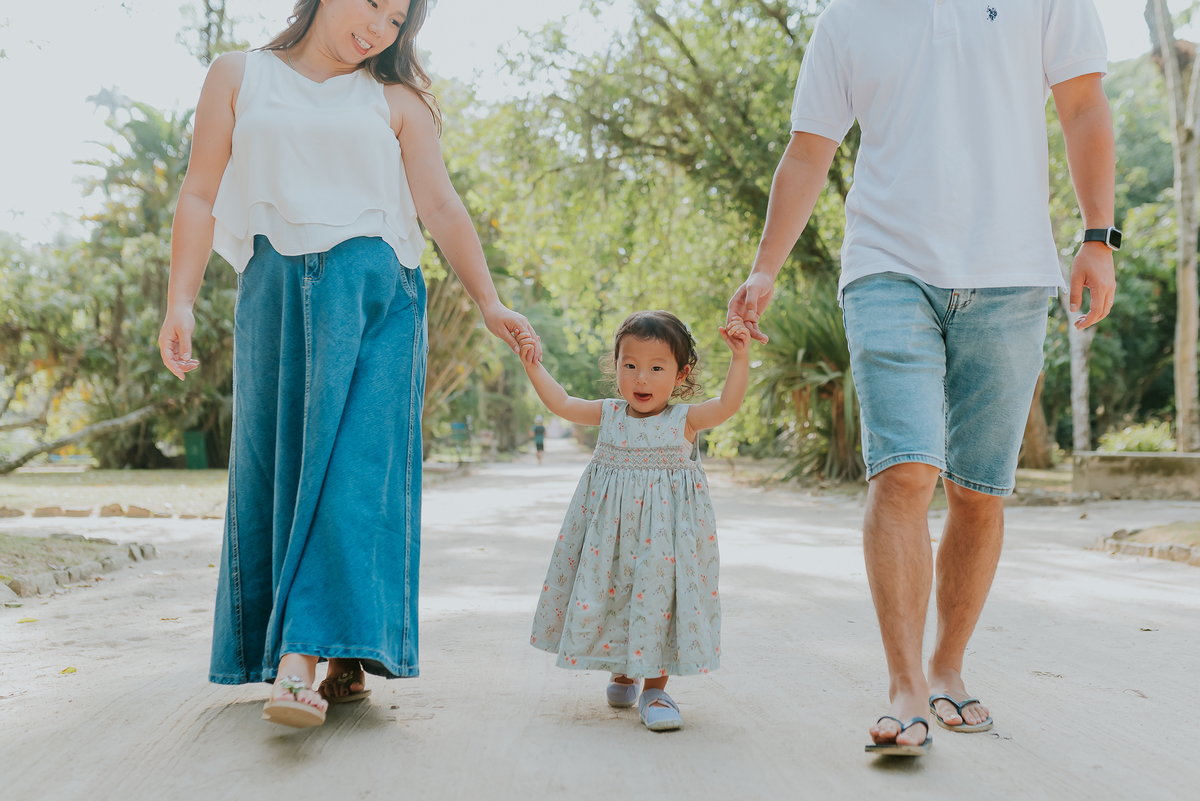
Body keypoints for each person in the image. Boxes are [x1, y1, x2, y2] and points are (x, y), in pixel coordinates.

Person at [727, 0, 1116, 756]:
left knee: (978, 488)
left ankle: (947, 665)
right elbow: (809, 150)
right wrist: (763, 268)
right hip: (886, 266)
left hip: (1011, 275)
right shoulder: (848, 18)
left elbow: (1083, 104)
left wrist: (1097, 235)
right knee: (904, 470)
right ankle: (905, 684)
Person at [157, 0, 540, 729]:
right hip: (272, 288)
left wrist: (490, 301)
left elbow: (441, 205)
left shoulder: (395, 103)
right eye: (373, 4)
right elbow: (201, 190)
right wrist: (180, 299)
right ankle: (337, 651)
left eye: (398, 20)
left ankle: (300, 657)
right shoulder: (239, 76)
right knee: (282, 468)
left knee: (357, 473)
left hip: (376, 294)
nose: (381, 27)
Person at [516, 311, 751, 731]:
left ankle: (655, 689)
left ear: (682, 374)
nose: (642, 378)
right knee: (616, 595)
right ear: (616, 365)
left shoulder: (685, 421)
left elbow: (729, 404)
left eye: (657, 368)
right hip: (610, 539)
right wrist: (533, 364)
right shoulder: (608, 414)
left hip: (666, 541)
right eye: (630, 365)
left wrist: (740, 358)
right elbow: (562, 403)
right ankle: (622, 670)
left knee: (659, 601)